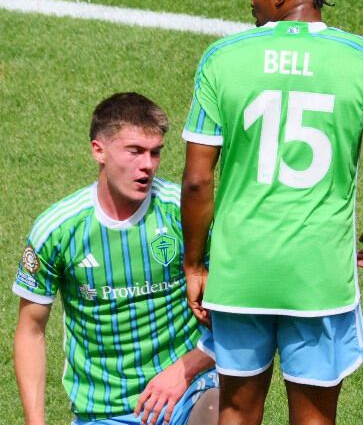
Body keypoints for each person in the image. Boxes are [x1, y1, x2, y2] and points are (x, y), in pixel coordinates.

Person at [180, 0, 363, 425]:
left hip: (241, 269)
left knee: (237, 410)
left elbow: (198, 181)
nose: (252, 0)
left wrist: (195, 263)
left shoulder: (222, 58)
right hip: (318, 275)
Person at [12, 92, 218, 425]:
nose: (147, 164)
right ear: (99, 150)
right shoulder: (58, 229)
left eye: (155, 153)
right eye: (135, 151)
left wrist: (188, 367)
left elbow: (239, 305)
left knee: (224, 411)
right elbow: (31, 331)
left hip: (188, 391)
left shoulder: (183, 213)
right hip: (104, 411)